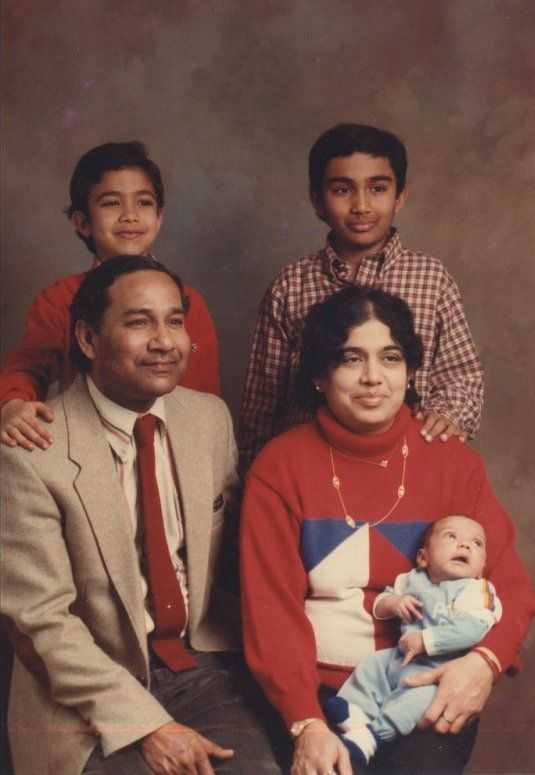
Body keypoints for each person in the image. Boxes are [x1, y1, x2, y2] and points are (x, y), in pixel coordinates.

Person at [0, 256, 280, 775]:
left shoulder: (208, 420)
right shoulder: (32, 449)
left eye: (174, 321)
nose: (165, 341)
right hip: (85, 688)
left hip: (200, 664)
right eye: (138, 322)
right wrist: (146, 726)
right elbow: (40, 623)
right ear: (87, 339)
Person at [240, 286, 534, 775]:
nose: (373, 378)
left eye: (390, 358)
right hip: (316, 696)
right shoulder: (279, 468)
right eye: (351, 359)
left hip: (427, 684)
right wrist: (305, 722)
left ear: (411, 371)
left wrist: (483, 662)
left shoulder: (451, 462)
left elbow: (513, 587)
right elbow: (271, 614)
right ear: (318, 374)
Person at [239, 123, 483, 471]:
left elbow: (462, 374)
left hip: (407, 467)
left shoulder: (432, 278)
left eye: (378, 188)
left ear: (400, 196)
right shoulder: (291, 285)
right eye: (342, 190)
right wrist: (256, 476)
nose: (361, 205)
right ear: (317, 201)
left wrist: (446, 415)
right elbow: (262, 402)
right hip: (312, 470)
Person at [0, 141, 220, 452]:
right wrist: (11, 404)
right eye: (111, 203)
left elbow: (206, 399)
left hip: (175, 453)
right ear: (82, 223)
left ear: (160, 217)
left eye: (143, 203)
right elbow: (26, 369)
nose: (130, 216)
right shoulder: (60, 300)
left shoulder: (189, 302)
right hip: (93, 451)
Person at [325, 515, 502, 766]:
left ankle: (374, 735)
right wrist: (394, 604)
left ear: (482, 567)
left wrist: (426, 640)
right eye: (452, 537)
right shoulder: (412, 580)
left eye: (476, 543)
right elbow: (380, 603)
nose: (465, 546)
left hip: (437, 672)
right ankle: (356, 712)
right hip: (400, 657)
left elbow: (472, 629)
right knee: (373, 665)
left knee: (419, 701)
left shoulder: (476, 590)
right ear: (423, 557)